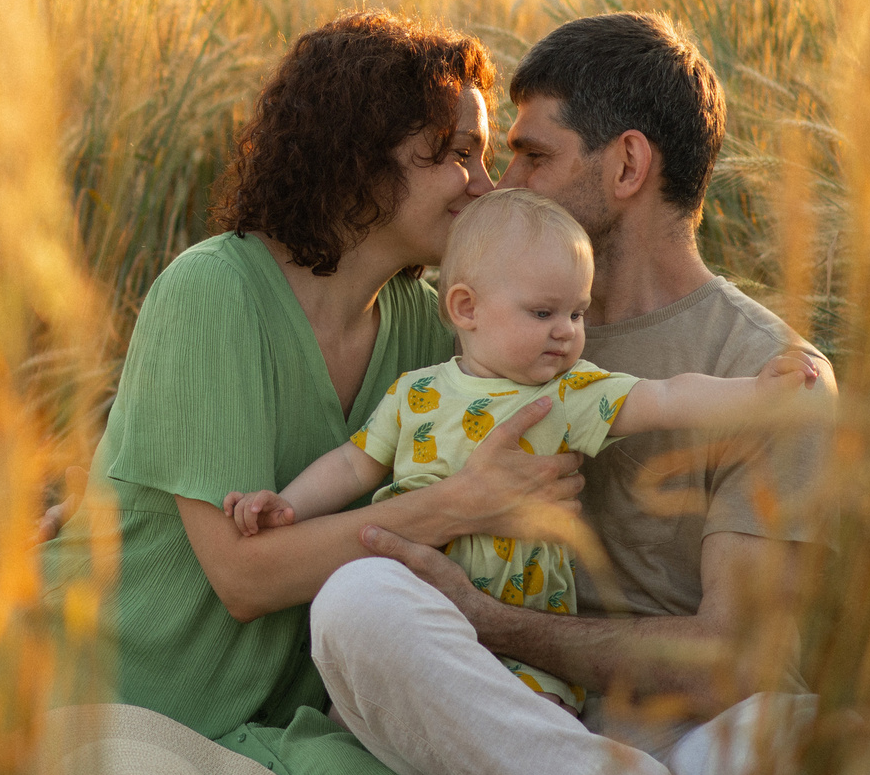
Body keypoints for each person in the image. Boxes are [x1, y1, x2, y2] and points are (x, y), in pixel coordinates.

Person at [38, 10, 593, 775]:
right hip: (109, 685)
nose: (483, 183)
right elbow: (242, 573)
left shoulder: (428, 325)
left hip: (271, 724)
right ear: (353, 159)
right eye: (451, 153)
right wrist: (458, 504)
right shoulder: (210, 292)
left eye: (482, 154)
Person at [309, 11, 831, 775]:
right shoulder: (482, 316)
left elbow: (735, 660)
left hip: (682, 738)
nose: (497, 182)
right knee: (353, 606)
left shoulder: (766, 373)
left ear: (626, 163)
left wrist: (493, 619)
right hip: (505, 725)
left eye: (533, 154)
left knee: (806, 740)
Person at [223, 187, 828, 715]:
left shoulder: (570, 392)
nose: (566, 329)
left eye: (576, 312)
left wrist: (756, 391)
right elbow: (352, 464)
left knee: (530, 715)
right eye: (543, 312)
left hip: (524, 639)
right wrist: (288, 506)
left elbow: (668, 397)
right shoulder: (416, 391)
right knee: (359, 622)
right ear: (466, 309)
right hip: (422, 616)